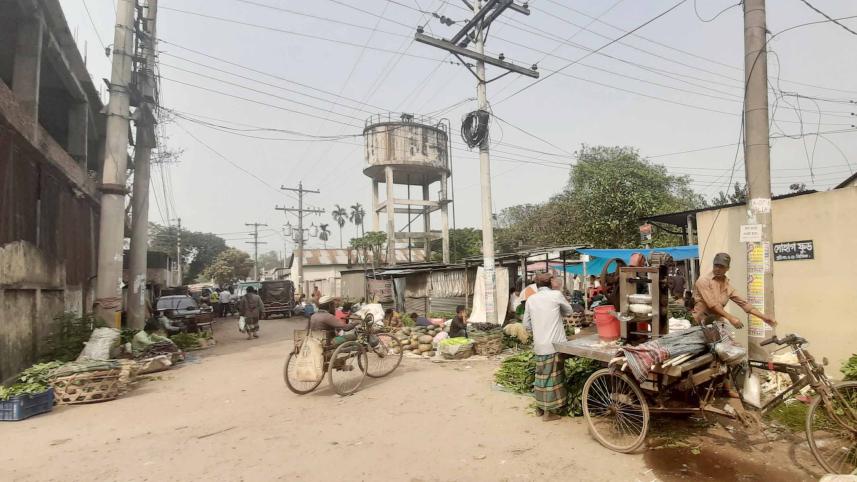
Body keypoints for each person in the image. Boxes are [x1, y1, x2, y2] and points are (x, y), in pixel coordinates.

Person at [523, 272, 574, 422]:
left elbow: (526, 325)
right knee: (553, 378)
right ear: (550, 283)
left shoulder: (530, 300)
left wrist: (538, 330)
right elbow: (569, 311)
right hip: (554, 345)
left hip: (539, 346)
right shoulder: (556, 295)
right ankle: (548, 413)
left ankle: (539, 408)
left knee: (540, 377)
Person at [692, 253, 777, 329]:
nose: (717, 269)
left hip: (714, 323)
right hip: (700, 323)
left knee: (729, 344)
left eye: (721, 266)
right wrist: (730, 318)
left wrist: (763, 317)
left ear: (727, 268)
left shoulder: (726, 284)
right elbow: (713, 305)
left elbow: (744, 303)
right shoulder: (703, 281)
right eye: (716, 265)